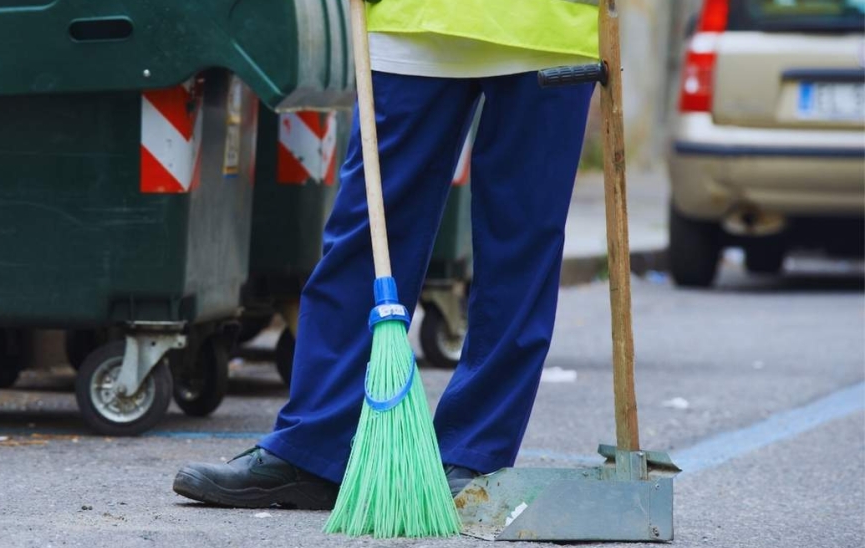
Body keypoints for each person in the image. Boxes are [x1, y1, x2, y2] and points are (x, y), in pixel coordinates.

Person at [173, 0, 601, 509]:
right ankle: (313, 448)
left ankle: (472, 456)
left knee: (521, 250)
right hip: (412, 20)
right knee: (364, 238)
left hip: (547, 26)